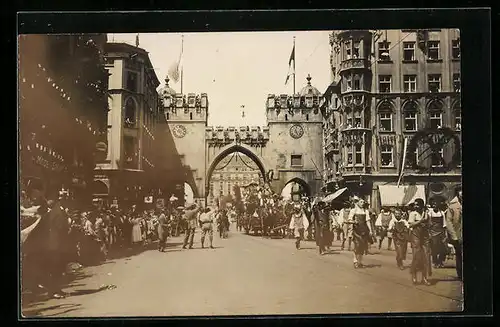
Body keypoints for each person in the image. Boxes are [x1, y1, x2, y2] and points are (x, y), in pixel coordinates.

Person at [408, 198, 432, 286]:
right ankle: (414, 276)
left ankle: (424, 278)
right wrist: (420, 221)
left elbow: (429, 225)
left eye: (417, 204)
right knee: (416, 256)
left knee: (426, 257)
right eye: (415, 204)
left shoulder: (426, 214)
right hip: (415, 236)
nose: (415, 206)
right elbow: (410, 225)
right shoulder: (412, 214)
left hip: (425, 236)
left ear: (422, 205)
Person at [347, 197, 373, 268]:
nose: (362, 203)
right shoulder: (353, 210)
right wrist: (353, 221)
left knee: (362, 246)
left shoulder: (366, 211)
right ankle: (355, 260)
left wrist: (370, 230)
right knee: (357, 245)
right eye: (361, 202)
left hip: (364, 230)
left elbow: (368, 221)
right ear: (357, 202)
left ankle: (360, 262)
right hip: (356, 230)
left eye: (363, 202)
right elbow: (349, 220)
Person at [446, 186, 463, 281]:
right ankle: (460, 274)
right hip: (458, 234)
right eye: (461, 192)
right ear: (458, 193)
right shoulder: (452, 206)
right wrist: (454, 236)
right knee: (459, 255)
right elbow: (449, 222)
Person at [427, 197, 448, 269]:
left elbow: (444, 224)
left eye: (436, 204)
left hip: (441, 232)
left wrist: (445, 234)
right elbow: (428, 224)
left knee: (443, 247)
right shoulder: (430, 213)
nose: (434, 205)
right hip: (433, 232)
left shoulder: (442, 213)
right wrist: (429, 233)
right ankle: (435, 262)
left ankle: (441, 261)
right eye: (433, 204)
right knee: (434, 248)